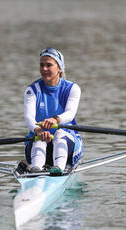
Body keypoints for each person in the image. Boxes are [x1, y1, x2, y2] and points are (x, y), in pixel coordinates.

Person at [24, 47, 83, 175]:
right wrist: (38, 130)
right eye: (42, 65)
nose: (44, 69)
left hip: (67, 144)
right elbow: (29, 118)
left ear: (59, 68)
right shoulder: (32, 90)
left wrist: (55, 119)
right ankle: (36, 170)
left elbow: (70, 114)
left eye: (49, 65)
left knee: (59, 133)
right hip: (38, 142)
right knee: (38, 137)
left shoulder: (72, 88)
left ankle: (59, 169)